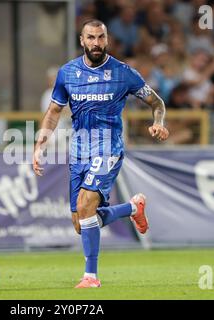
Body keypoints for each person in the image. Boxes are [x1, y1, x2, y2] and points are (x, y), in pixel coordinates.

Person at [32, 19, 169, 289]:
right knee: (81, 223)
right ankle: (132, 208)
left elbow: (157, 102)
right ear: (82, 41)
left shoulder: (123, 73)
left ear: (107, 40)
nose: (96, 43)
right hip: (79, 150)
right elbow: (53, 112)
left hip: (109, 147)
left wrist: (159, 122)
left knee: (85, 205)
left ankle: (90, 277)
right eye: (91, 38)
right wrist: (40, 146)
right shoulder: (68, 73)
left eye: (101, 37)